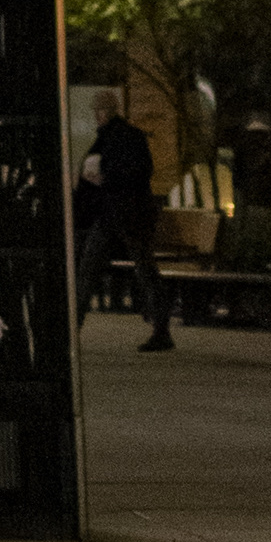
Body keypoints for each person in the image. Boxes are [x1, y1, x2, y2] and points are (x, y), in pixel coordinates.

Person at [76, 90, 174, 351]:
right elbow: (141, 171)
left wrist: (104, 177)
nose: (96, 115)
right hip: (129, 214)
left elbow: (129, 172)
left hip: (118, 214)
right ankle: (161, 329)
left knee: (90, 270)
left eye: (99, 110)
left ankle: (73, 328)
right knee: (144, 270)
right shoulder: (127, 136)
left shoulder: (112, 138)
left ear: (106, 111)